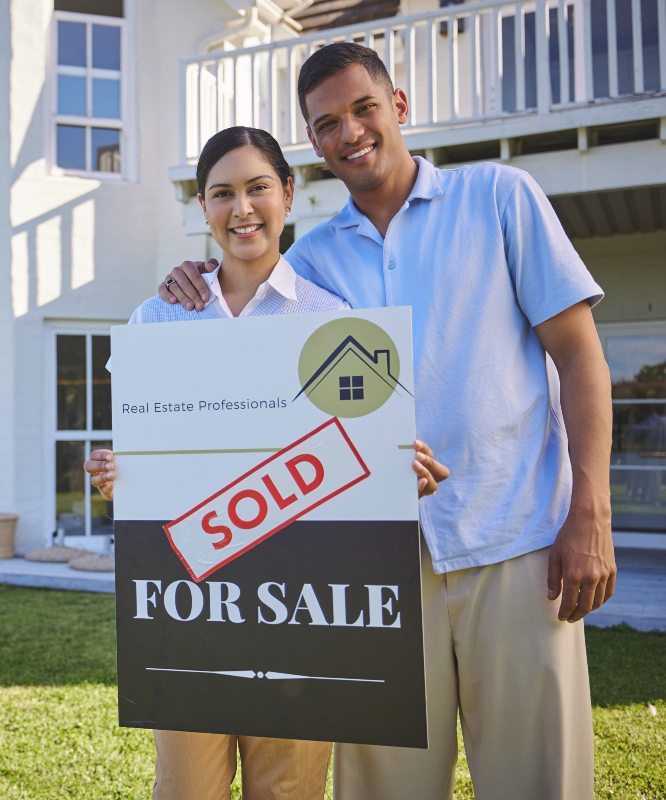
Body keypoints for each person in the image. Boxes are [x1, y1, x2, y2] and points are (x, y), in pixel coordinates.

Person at [157, 43, 616, 800]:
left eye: (363, 108)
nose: (350, 131)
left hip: (519, 542)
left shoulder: (500, 196)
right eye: (328, 122)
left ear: (397, 106)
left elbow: (579, 355)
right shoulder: (312, 264)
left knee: (541, 783)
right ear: (314, 141)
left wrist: (589, 509)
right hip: (380, 570)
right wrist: (194, 277)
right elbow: (251, 334)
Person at [84, 124, 450, 800]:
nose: (242, 208)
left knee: (289, 791)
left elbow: (357, 466)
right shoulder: (159, 322)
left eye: (258, 188)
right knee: (187, 790)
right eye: (222, 193)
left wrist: (399, 473)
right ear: (202, 207)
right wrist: (117, 475)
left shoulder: (333, 321)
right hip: (188, 611)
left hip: (301, 614)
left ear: (288, 192)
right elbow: (146, 466)